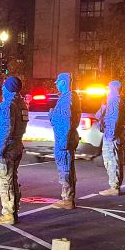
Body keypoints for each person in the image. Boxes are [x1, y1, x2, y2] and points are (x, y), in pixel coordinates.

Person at [0, 76, 29, 223]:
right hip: (17, 144)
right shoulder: (22, 104)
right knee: (12, 179)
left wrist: (1, 149)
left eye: (4, 86)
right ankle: (13, 210)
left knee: (4, 181)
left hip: (8, 146)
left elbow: (6, 128)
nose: (2, 89)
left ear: (8, 88)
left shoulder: (8, 105)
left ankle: (8, 214)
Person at [49, 72, 80, 209]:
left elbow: (65, 121)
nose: (56, 85)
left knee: (65, 168)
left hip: (64, 139)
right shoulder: (72, 97)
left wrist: (52, 115)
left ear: (63, 82)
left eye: (58, 83)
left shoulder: (66, 99)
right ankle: (69, 196)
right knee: (68, 167)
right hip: (68, 137)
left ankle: (67, 198)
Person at [95, 80, 125, 195]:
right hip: (118, 135)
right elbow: (98, 115)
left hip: (112, 135)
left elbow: (113, 119)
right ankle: (116, 185)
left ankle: (114, 187)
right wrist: (104, 106)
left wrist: (110, 135)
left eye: (109, 88)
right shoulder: (120, 100)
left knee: (111, 160)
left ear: (113, 88)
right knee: (116, 160)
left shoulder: (114, 101)